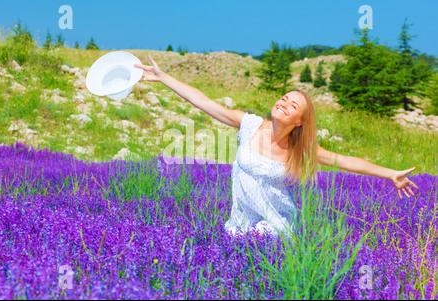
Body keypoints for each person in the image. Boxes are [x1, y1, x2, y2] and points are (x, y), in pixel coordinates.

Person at [134, 55, 419, 238]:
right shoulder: (249, 124)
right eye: (284, 98)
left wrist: (390, 173)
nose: (283, 103)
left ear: (299, 122)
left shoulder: (300, 150)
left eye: (292, 105)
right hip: (239, 224)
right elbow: (205, 101)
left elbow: (347, 161)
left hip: (276, 228)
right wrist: (163, 78)